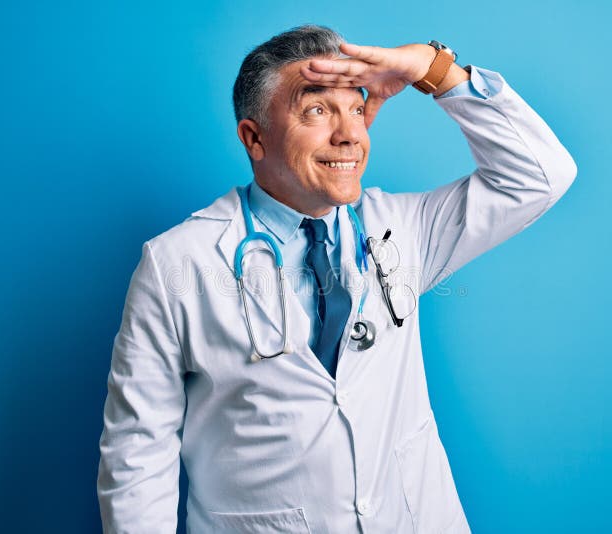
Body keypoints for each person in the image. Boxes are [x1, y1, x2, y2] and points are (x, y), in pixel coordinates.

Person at [97, 24, 576, 533]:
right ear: (253, 138)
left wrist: (431, 70)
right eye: (318, 110)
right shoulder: (178, 263)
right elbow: (137, 455)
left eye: (356, 107)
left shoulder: (403, 230)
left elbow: (540, 175)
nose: (349, 134)